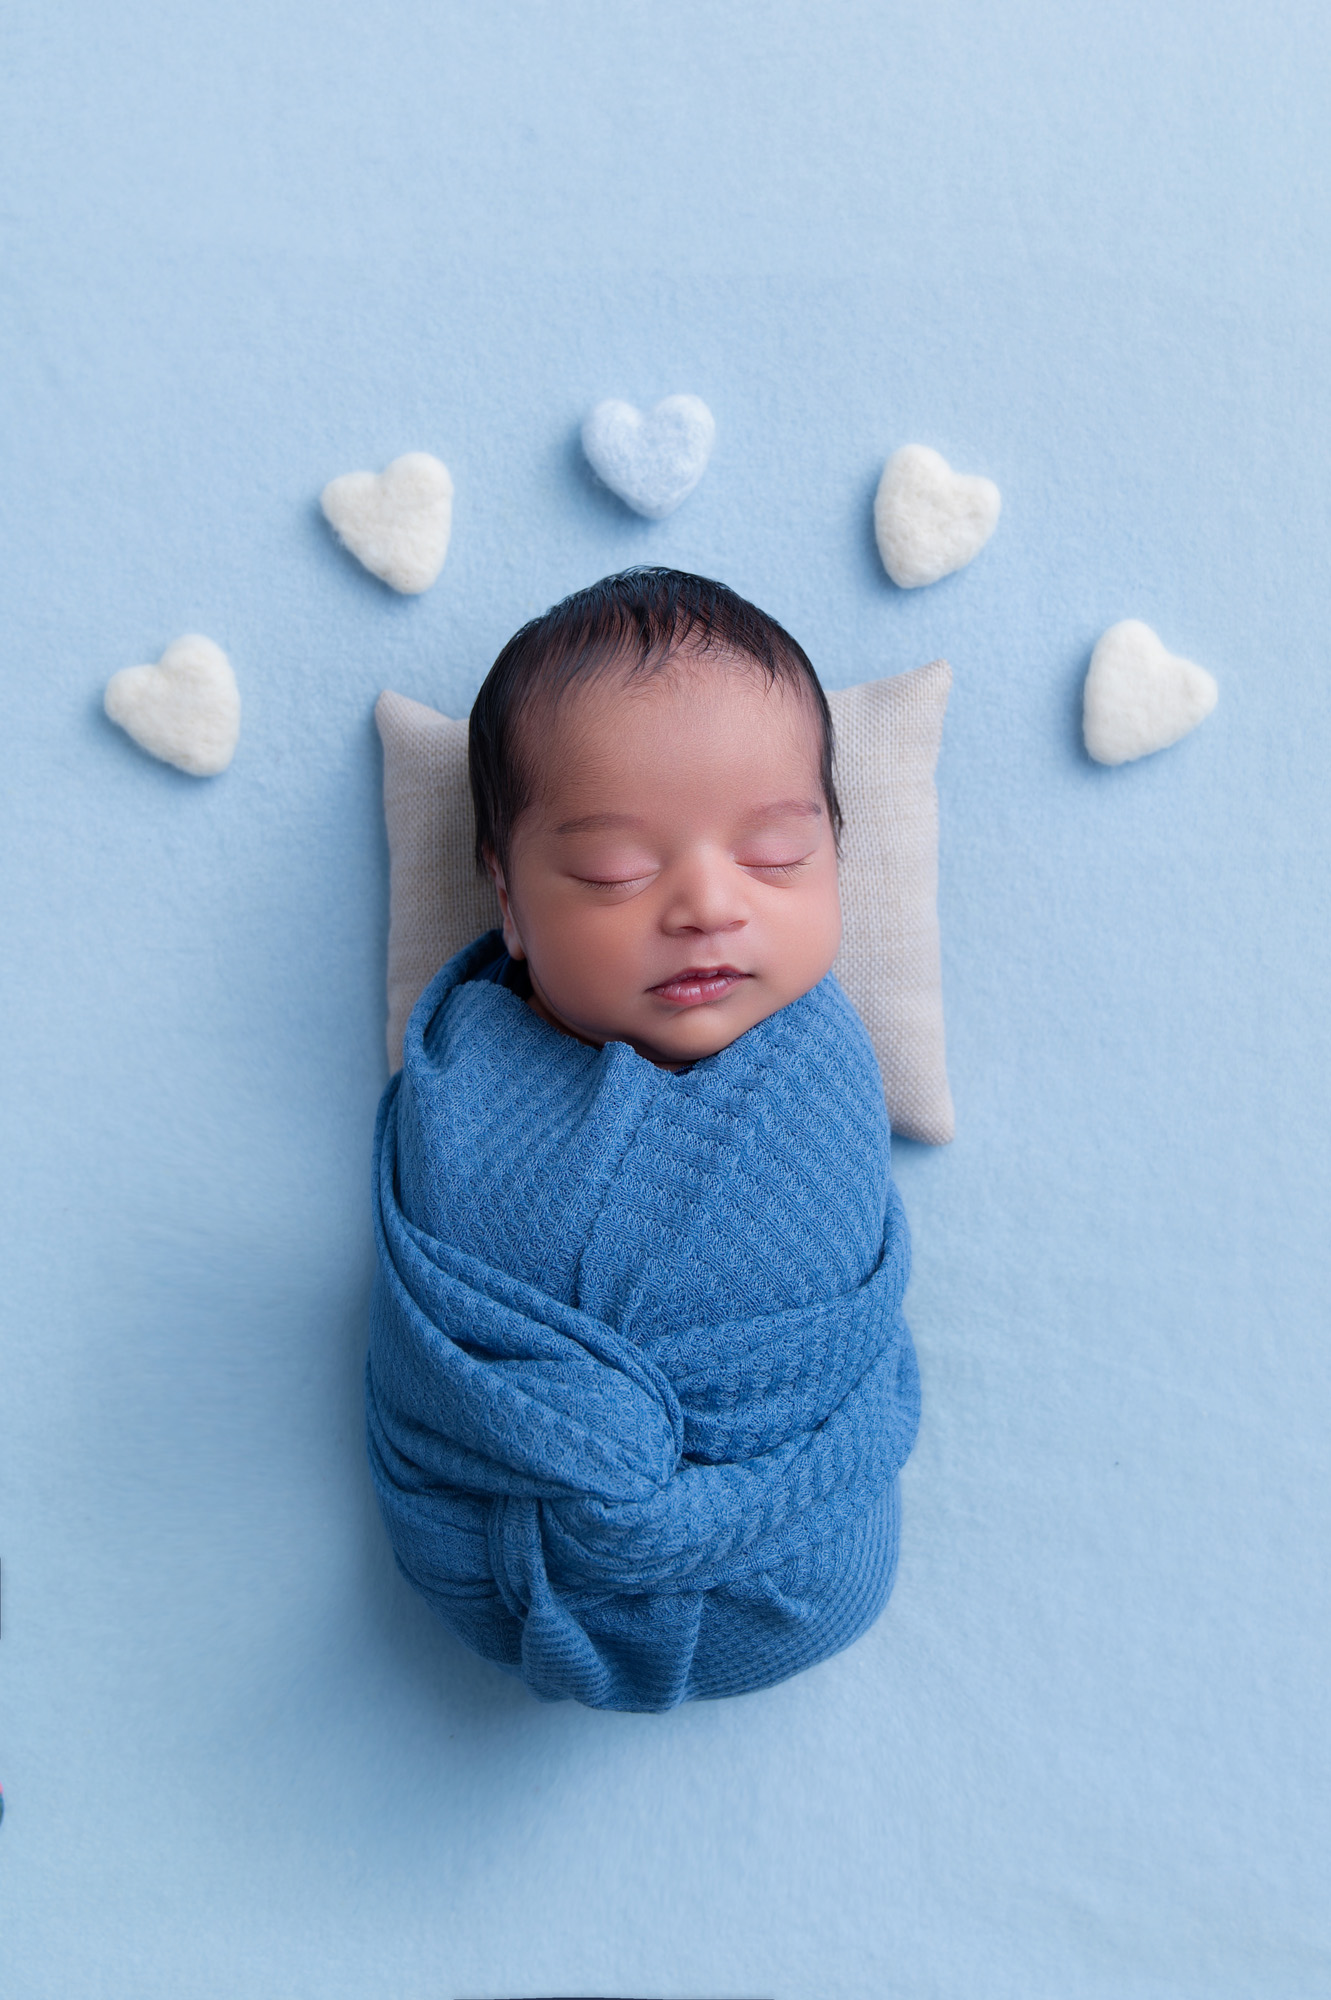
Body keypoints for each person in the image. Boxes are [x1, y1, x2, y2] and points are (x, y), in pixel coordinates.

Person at [366, 569, 919, 1710]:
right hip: (502, 1549)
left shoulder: (817, 1064)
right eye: (616, 869)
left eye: (774, 854)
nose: (709, 903)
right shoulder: (466, 1077)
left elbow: (834, 1309)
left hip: (795, 1550)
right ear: (508, 900)